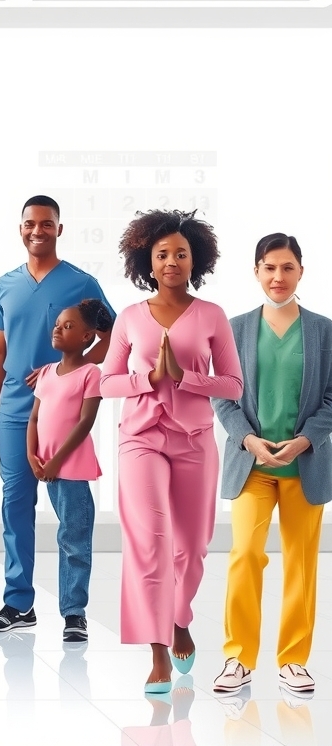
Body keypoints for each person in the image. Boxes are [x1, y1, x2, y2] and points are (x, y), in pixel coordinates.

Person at [100, 209, 243, 693]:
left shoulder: (212, 316)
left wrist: (186, 379)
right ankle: (158, 650)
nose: (172, 261)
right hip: (140, 439)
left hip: (195, 440)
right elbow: (105, 382)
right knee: (149, 541)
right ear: (147, 260)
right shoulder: (129, 319)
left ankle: (179, 617)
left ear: (194, 259)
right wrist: (149, 381)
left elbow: (234, 386)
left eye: (181, 253)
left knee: (194, 545)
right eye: (162, 254)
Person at [0, 196, 113, 633]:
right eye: (30, 223)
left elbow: (111, 337)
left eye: (46, 224)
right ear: (20, 229)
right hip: (17, 414)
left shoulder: (81, 283)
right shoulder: (5, 285)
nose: (37, 230)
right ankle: (18, 604)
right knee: (15, 508)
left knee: (72, 517)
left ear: (59, 228)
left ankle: (74, 612)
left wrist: (69, 373)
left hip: (66, 417)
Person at [211, 234, 332, 695]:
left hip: (307, 465)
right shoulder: (235, 328)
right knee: (245, 555)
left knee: (301, 563)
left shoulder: (324, 330)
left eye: (286, 267)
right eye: (268, 267)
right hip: (253, 465)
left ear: (301, 270)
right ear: (256, 272)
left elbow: (331, 398)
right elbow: (223, 395)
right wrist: (247, 439)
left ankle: (294, 661)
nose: (277, 277)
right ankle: (237, 658)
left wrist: (304, 440)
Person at [25, 299, 112, 643]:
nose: (58, 328)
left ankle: (74, 613)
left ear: (88, 336)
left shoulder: (91, 374)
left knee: (74, 540)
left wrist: (58, 460)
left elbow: (85, 421)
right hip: (46, 469)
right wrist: (32, 455)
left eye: (69, 325)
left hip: (70, 470)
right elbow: (34, 418)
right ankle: (70, 608)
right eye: (58, 323)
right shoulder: (46, 373)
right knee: (65, 536)